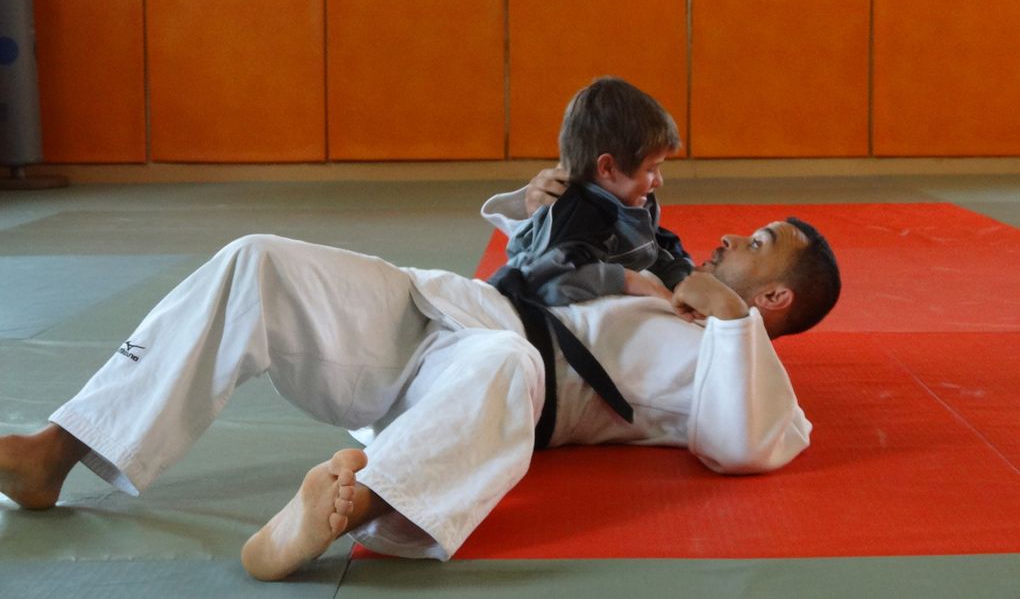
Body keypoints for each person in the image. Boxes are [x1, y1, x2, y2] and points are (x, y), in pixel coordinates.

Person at [0, 174, 841, 583]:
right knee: (256, 260)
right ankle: (59, 449)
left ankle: (352, 502)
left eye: (760, 241)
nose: (735, 235)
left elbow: (749, 446)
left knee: (511, 364)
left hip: (499, 373)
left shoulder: (743, 362)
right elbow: (550, 258)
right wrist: (534, 201)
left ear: (773, 296)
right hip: (445, 307)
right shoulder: (662, 264)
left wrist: (725, 321)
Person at [491, 76, 693, 307]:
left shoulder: (629, 200)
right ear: (607, 167)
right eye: (651, 169)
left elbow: (653, 249)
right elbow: (545, 283)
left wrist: (681, 279)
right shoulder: (578, 218)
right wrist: (629, 281)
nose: (659, 180)